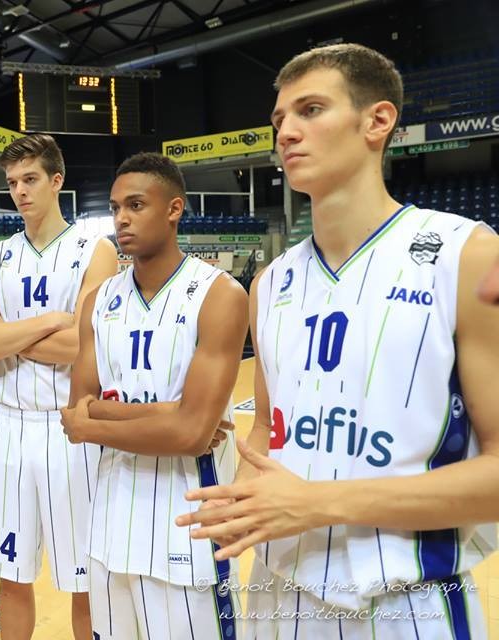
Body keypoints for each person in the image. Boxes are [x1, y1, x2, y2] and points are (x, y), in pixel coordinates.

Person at [176, 43, 499, 638]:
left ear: (377, 121)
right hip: (277, 591)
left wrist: (317, 503)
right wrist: (242, 500)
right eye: (279, 119)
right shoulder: (270, 283)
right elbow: (265, 427)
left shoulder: (468, 255)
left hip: (408, 603)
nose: (286, 132)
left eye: (311, 110)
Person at [59, 152, 247, 639]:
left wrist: (98, 420)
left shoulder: (220, 294)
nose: (121, 218)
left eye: (136, 205)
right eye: (116, 207)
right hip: (110, 524)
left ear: (174, 209)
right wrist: (170, 413)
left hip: (188, 528)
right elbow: (76, 412)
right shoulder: (98, 301)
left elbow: (190, 435)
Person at [0, 133, 119, 639]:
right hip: (6, 426)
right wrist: (51, 321)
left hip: (70, 427)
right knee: (10, 576)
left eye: (30, 179)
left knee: (85, 579)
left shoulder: (96, 251)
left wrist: (6, 333)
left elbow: (84, 345)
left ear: (56, 181)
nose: (20, 191)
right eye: (12, 183)